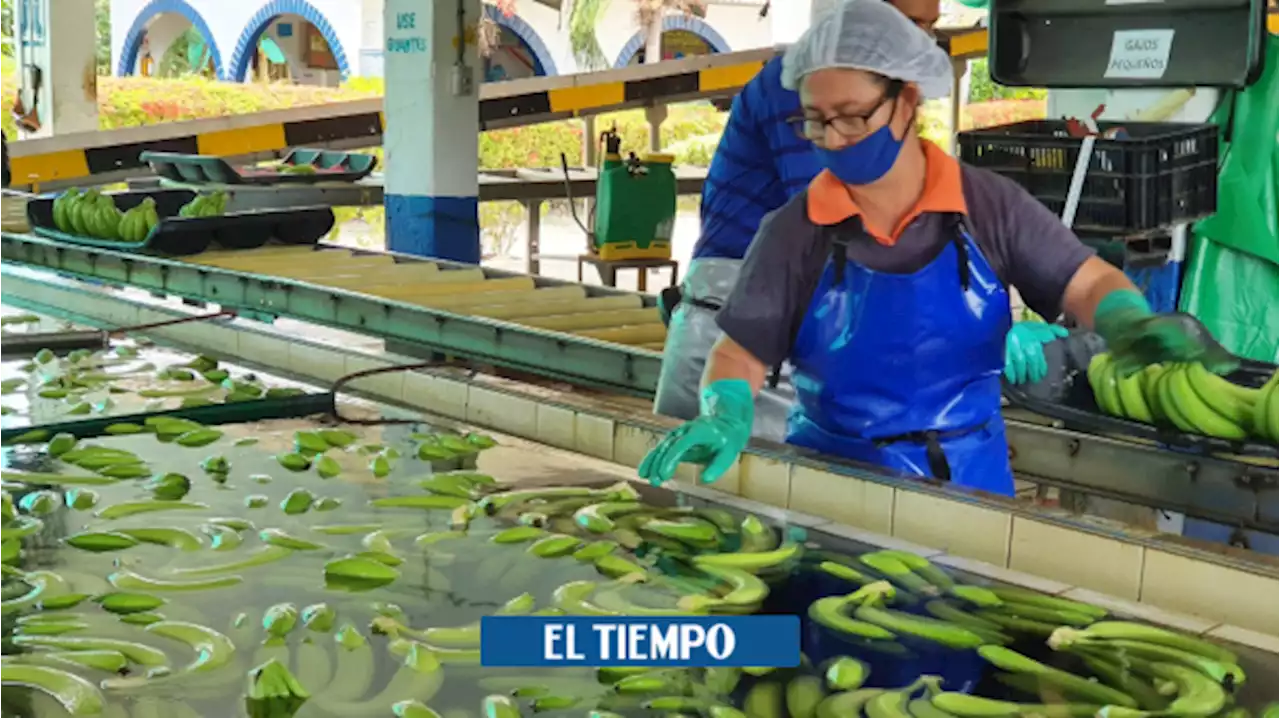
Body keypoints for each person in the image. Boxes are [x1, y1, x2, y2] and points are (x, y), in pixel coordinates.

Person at [639, 0, 1232, 496]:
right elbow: (740, 353)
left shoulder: (987, 203)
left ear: (906, 102)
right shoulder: (795, 228)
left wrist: (1125, 318)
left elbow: (1086, 280)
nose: (832, 140)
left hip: (970, 487)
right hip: (831, 486)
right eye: (816, 123)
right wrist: (726, 410)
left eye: (851, 118)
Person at [654, 0, 942, 443]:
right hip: (737, 331)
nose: (922, 43)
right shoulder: (811, 83)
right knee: (732, 504)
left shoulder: (871, 93)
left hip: (791, 325)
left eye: (930, 28)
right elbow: (839, 221)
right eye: (911, 24)